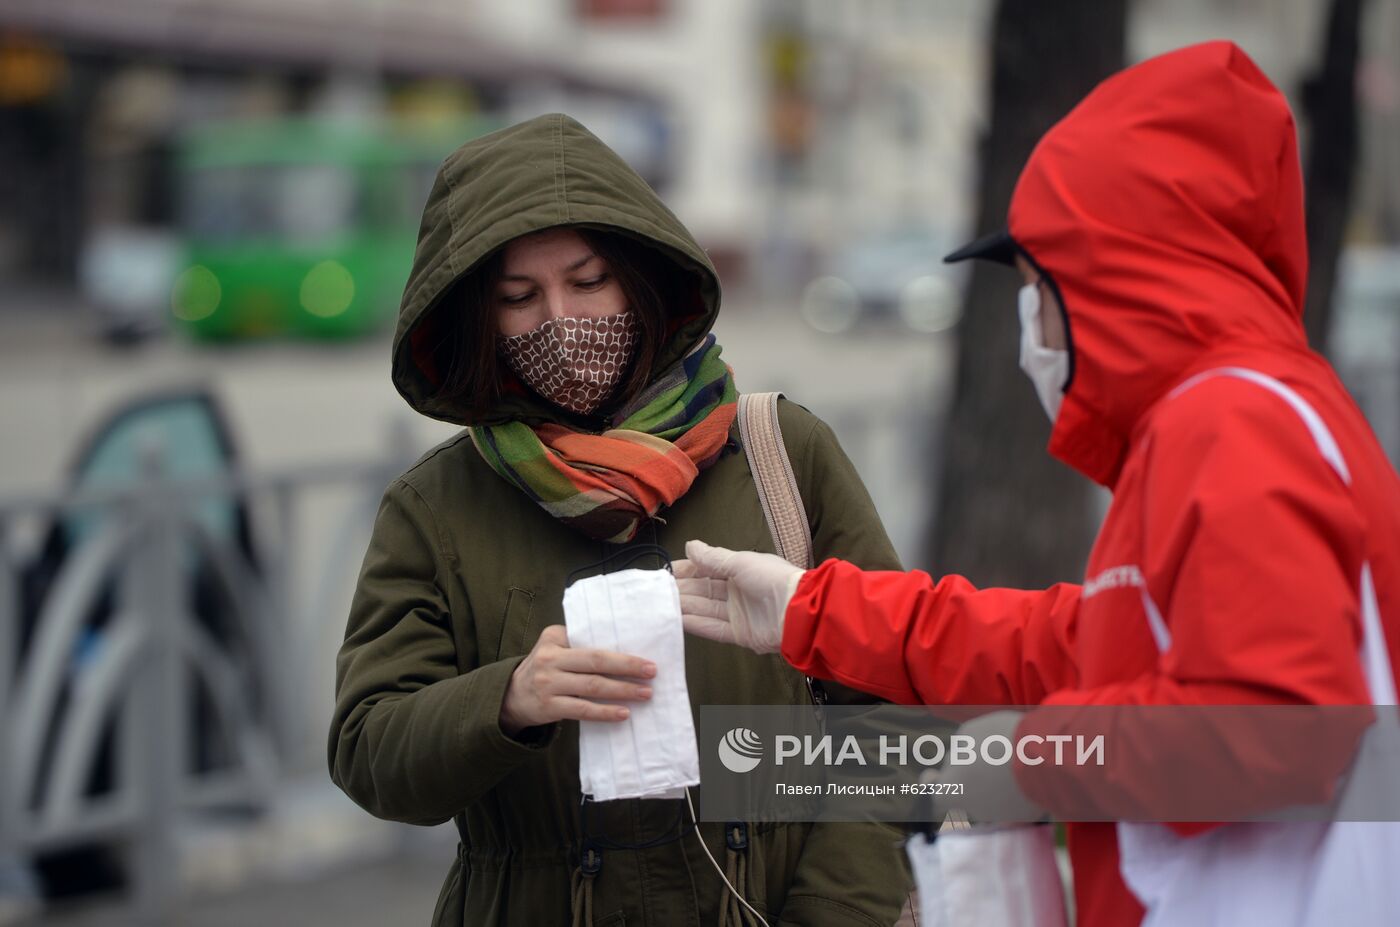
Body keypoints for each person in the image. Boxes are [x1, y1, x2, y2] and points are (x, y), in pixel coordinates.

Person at [675, 41, 1400, 927]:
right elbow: (1072, 643)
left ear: (1112, 275)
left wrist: (1022, 754)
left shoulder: (1229, 423)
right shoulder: (1245, 412)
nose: (1031, 323)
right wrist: (805, 609)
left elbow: (1270, 733)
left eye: (1035, 283)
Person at [328, 113, 912, 927]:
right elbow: (369, 749)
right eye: (519, 297)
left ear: (640, 281)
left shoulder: (782, 453)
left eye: (588, 280)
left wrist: (829, 914)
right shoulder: (435, 506)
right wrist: (506, 699)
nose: (560, 321)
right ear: (478, 320)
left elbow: (892, 715)